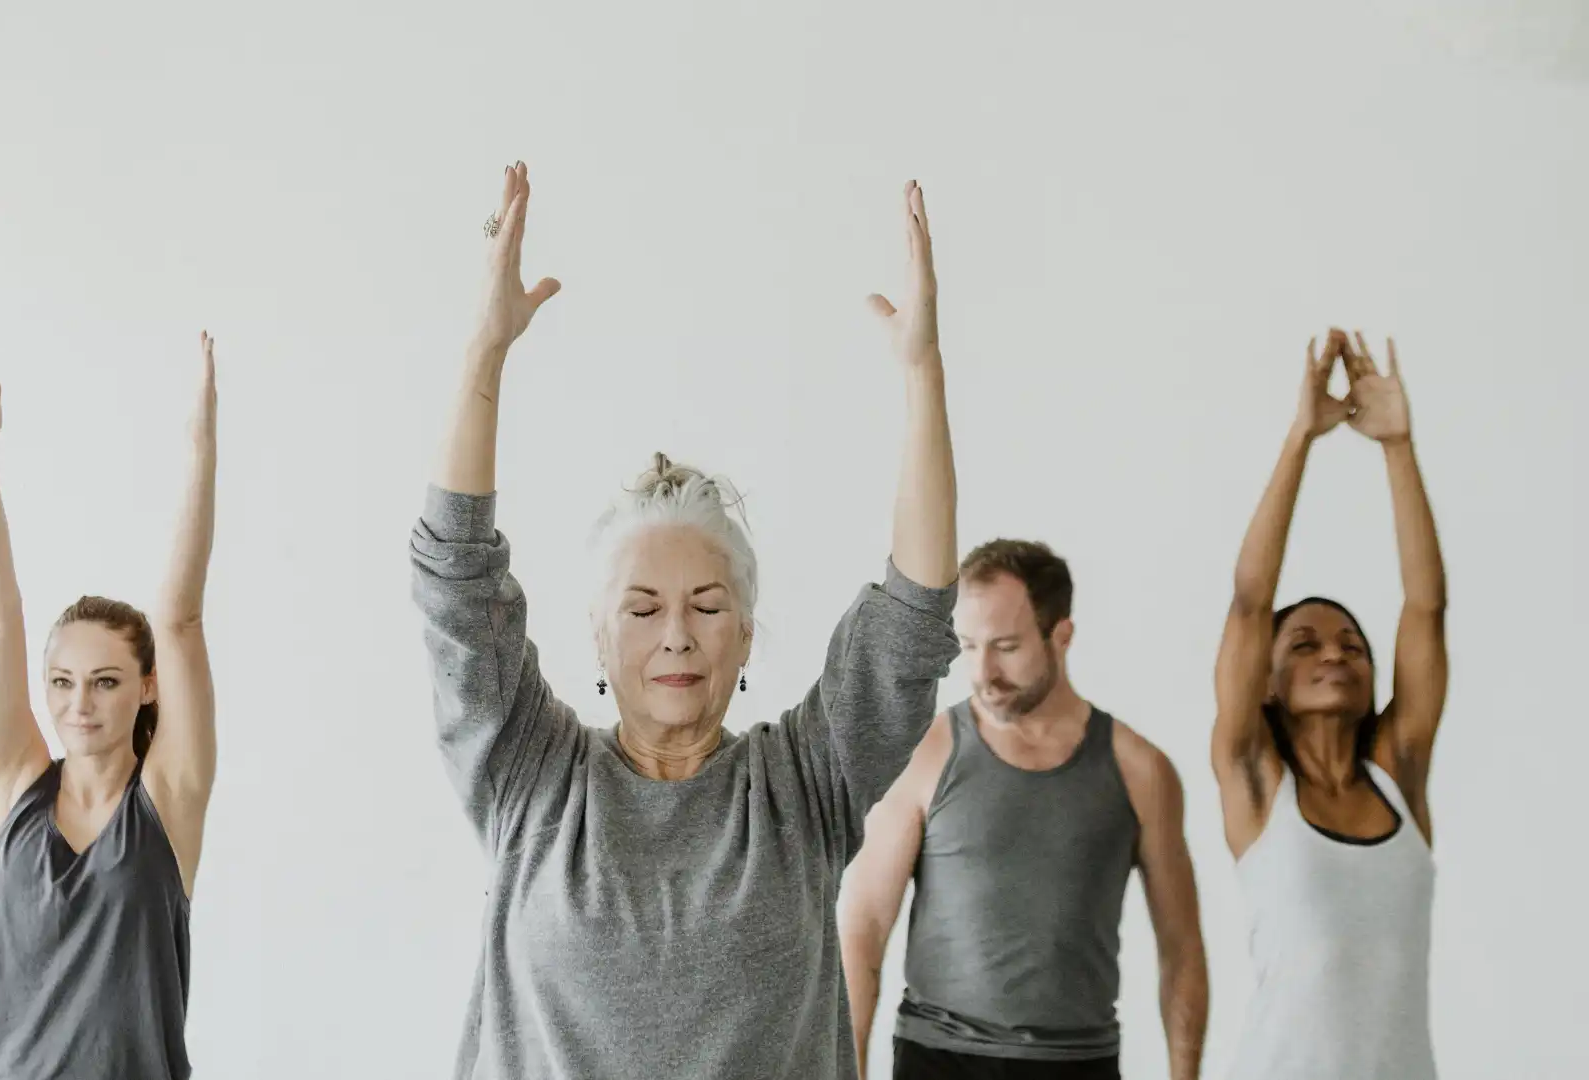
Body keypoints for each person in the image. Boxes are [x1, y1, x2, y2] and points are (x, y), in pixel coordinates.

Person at [409, 162, 961, 1080]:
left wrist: (923, 377)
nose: (676, 634)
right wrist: (485, 348)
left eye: (707, 607)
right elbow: (456, 584)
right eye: (643, 607)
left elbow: (912, 620)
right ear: (598, 633)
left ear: (745, 632)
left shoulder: (802, 784)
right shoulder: (530, 773)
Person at [0, 325, 220, 1080]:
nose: (80, 705)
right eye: (62, 683)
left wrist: (201, 446)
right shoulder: (14, 790)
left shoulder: (169, 802)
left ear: (146, 686)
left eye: (105, 681)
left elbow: (181, 620)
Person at [840, 542, 1208, 1080]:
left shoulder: (1141, 770)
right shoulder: (927, 752)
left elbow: (1182, 951)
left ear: (1061, 635)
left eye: (1006, 646)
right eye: (968, 646)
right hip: (938, 1059)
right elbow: (863, 928)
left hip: (1079, 1063)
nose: (983, 671)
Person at [1213, 329, 1447, 1079]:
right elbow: (1251, 602)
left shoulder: (1399, 777)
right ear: (1270, 685)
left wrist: (1397, 448)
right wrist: (1301, 440)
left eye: (1352, 643)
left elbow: (1425, 608)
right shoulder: (1255, 782)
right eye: (1306, 645)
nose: (1335, 653)